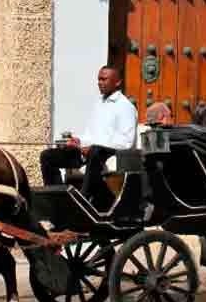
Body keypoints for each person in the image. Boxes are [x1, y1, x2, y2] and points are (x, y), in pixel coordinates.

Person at [39, 66, 137, 208]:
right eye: (98, 79)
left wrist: (93, 146)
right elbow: (90, 134)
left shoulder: (125, 107)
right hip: (88, 153)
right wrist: (79, 141)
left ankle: (82, 201)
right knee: (48, 156)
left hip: (108, 156)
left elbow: (126, 142)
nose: (100, 82)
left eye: (104, 79)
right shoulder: (99, 104)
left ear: (117, 82)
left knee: (95, 151)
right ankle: (58, 201)